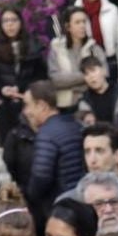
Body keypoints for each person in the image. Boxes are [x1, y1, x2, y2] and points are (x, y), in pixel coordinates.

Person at [25, 82, 85, 227]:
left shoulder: (46, 134)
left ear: (41, 106)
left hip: (60, 205)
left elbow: (41, 175)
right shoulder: (74, 124)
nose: (26, 111)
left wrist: (30, 197)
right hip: (81, 199)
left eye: (27, 105)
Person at [0, 6, 47, 139]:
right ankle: (9, 149)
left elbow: (41, 74)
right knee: (2, 108)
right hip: (6, 96)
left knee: (19, 107)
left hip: (28, 94)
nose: (10, 24)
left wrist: (20, 88)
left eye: (14, 20)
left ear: (21, 22)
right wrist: (2, 89)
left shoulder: (33, 44)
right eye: (5, 21)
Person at [50, 5, 110, 113]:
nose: (82, 26)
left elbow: (105, 73)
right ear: (68, 26)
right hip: (64, 105)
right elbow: (55, 80)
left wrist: (69, 81)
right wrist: (87, 77)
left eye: (84, 22)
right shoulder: (56, 47)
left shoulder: (94, 48)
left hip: (91, 104)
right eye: (77, 22)